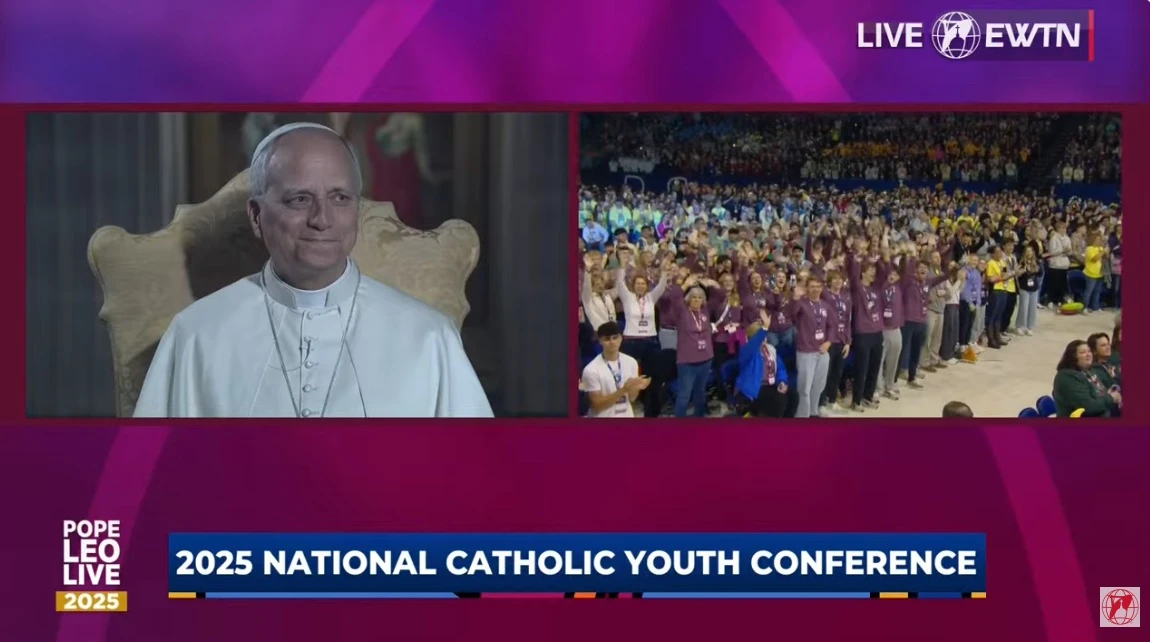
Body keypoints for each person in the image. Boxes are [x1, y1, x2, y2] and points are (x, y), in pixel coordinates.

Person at [135, 123, 492, 418]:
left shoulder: (429, 337)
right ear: (256, 217)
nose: (322, 219)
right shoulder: (196, 334)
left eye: (340, 198)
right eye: (299, 199)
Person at [734, 309, 798, 418]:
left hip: (771, 384)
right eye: (761, 335)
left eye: (765, 335)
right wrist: (764, 328)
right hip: (755, 387)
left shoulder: (770, 349)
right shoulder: (746, 350)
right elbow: (753, 344)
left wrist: (782, 381)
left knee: (793, 395)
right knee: (778, 400)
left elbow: (780, 368)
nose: (764, 337)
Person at [581, 322, 649, 418]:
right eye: (607, 339)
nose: (612, 342)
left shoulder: (631, 362)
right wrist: (623, 390)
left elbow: (632, 399)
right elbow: (596, 406)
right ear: (600, 341)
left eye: (615, 337)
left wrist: (636, 387)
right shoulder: (591, 369)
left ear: (621, 338)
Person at [786, 276, 833, 417]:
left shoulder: (825, 305)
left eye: (818, 286)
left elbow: (832, 325)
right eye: (812, 286)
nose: (815, 289)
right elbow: (790, 314)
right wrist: (795, 298)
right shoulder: (801, 304)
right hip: (806, 352)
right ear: (807, 288)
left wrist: (829, 342)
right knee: (804, 388)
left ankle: (813, 412)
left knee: (818, 385)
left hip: (822, 351)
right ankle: (802, 416)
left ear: (822, 288)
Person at [668, 280, 715, 417]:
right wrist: (685, 284)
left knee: (700, 392)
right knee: (684, 394)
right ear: (688, 299)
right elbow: (675, 296)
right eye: (693, 297)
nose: (696, 300)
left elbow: (720, 296)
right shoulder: (682, 312)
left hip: (706, 358)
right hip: (687, 361)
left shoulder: (705, 311)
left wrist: (710, 283)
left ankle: (698, 420)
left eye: (700, 297)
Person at [1051, 340, 1121, 418]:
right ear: (1073, 357)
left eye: (1089, 351)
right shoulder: (1067, 378)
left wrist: (1108, 394)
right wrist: (1110, 398)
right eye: (1083, 352)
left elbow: (1098, 394)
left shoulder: (1087, 371)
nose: (1088, 355)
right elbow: (1088, 407)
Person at [1015, 246, 1042, 335]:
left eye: (1030, 251)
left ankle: (1030, 327)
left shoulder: (1036, 262)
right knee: (1024, 307)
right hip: (1024, 287)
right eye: (1027, 251)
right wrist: (1023, 270)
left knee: (1032, 308)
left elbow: (1040, 273)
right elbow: (1017, 274)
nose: (1028, 253)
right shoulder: (1021, 263)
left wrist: (1037, 269)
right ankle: (1019, 326)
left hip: (1034, 288)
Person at [1082, 233, 1108, 313]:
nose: (1099, 241)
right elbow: (1094, 259)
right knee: (1089, 291)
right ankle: (1085, 307)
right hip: (1091, 272)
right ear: (1092, 240)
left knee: (1097, 291)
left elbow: (1106, 257)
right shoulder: (1089, 248)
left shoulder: (1100, 248)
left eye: (1100, 239)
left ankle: (1095, 307)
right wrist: (1103, 252)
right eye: (1097, 239)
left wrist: (1107, 252)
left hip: (1100, 273)